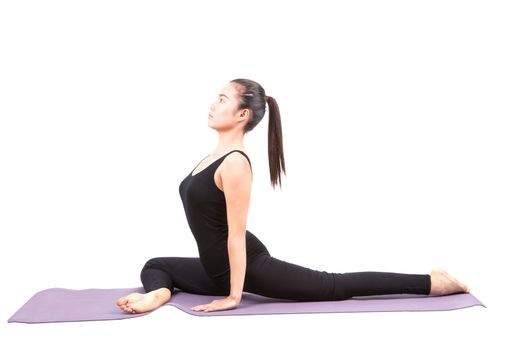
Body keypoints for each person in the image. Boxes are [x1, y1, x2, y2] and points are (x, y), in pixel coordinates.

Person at [117, 78, 469, 314]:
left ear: (242, 114)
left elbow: (236, 235)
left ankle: (433, 283)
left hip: (245, 264)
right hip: (216, 267)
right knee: (157, 266)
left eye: (222, 99)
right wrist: (163, 291)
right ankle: (159, 294)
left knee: (334, 285)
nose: (213, 104)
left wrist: (234, 297)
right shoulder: (211, 157)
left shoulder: (235, 163)